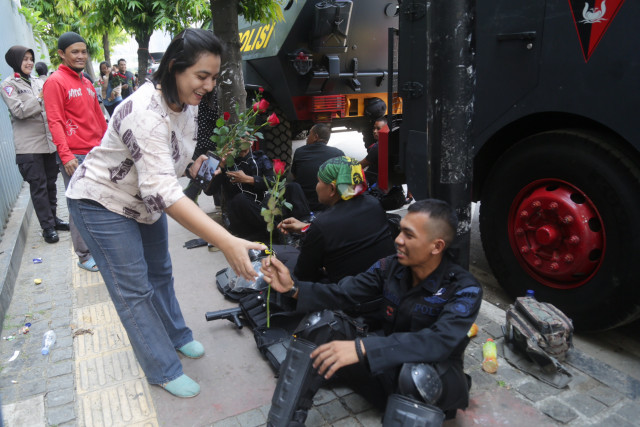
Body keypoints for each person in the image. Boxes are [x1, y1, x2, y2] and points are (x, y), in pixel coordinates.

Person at [65, 28, 265, 398]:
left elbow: (169, 162)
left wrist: (194, 165)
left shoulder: (185, 104)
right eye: (201, 76)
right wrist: (226, 241)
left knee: (161, 272)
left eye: (213, 77)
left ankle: (176, 335)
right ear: (174, 67)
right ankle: (162, 368)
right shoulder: (144, 111)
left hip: (142, 200)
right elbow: (163, 191)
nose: (207, 86)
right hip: (101, 202)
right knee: (134, 291)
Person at [261, 199, 482, 426]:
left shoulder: (464, 289)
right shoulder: (390, 266)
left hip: (427, 386)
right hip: (384, 365)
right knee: (320, 323)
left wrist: (362, 347)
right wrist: (293, 289)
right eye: (400, 231)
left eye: (409, 235)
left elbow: (438, 342)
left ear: (436, 246)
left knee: (418, 375)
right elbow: (343, 293)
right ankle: (281, 422)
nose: (397, 240)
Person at [43, 31, 106, 272]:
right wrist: (66, 155)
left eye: (83, 51)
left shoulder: (87, 82)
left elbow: (99, 119)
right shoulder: (55, 82)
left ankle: (98, 248)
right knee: (80, 206)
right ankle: (84, 255)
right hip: (75, 157)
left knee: (99, 203)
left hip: (95, 153)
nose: (81, 56)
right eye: (74, 52)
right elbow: (55, 121)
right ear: (62, 54)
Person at [279, 156, 395, 283]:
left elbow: (303, 274)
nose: (316, 186)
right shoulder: (374, 204)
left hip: (346, 295)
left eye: (319, 181)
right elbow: (347, 232)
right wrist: (305, 228)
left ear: (333, 189)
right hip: (381, 283)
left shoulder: (323, 224)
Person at [1, 46, 69, 244]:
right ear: (15, 61)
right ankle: (47, 227)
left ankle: (54, 219)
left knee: (50, 185)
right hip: (29, 148)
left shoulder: (38, 82)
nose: (29, 63)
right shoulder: (9, 85)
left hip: (47, 144)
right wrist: (40, 98)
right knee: (38, 187)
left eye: (31, 59)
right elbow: (19, 111)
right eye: (25, 59)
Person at [211, 144, 310, 242]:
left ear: (252, 142)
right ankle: (279, 231)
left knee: (293, 187)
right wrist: (220, 166)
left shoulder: (260, 158)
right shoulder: (225, 162)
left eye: (247, 137)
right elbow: (210, 190)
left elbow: (272, 182)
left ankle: (305, 226)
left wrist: (249, 179)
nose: (243, 140)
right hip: (245, 215)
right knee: (240, 199)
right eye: (240, 138)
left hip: (263, 205)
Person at [290, 124, 344, 212]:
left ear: (316, 137)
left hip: (303, 204)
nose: (307, 137)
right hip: (328, 206)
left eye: (309, 134)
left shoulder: (300, 152)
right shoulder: (338, 153)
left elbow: (295, 175)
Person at [183, 89, 220, 203]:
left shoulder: (199, 96)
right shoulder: (213, 99)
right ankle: (190, 195)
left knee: (207, 170)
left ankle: (192, 196)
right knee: (206, 171)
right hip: (209, 141)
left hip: (200, 139)